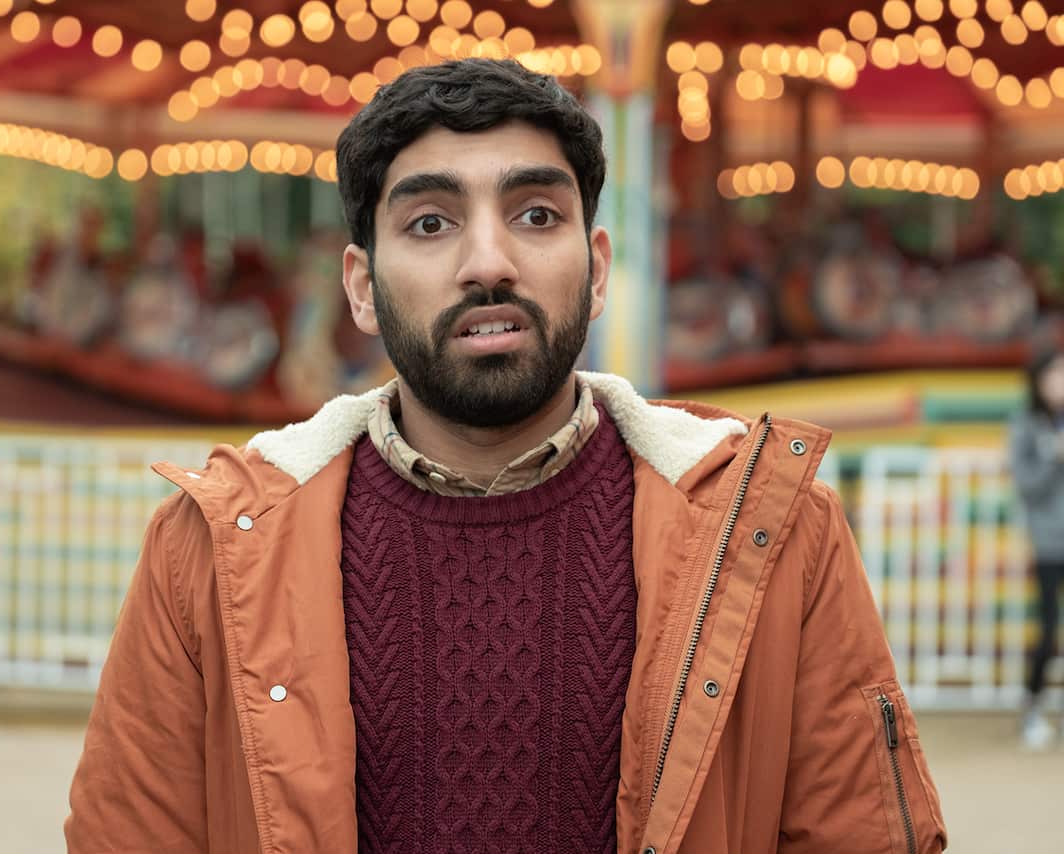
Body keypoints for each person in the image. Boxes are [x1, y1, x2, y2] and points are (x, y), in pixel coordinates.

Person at [65, 59, 946, 853]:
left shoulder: (770, 534)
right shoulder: (210, 550)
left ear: (597, 270)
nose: (489, 262)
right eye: (430, 223)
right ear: (362, 289)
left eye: (535, 214)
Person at [1008, 339, 1064, 751]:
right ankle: (1032, 709)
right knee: (1048, 628)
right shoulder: (1026, 423)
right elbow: (1025, 485)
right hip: (1048, 543)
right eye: (1055, 374)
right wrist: (1053, 457)